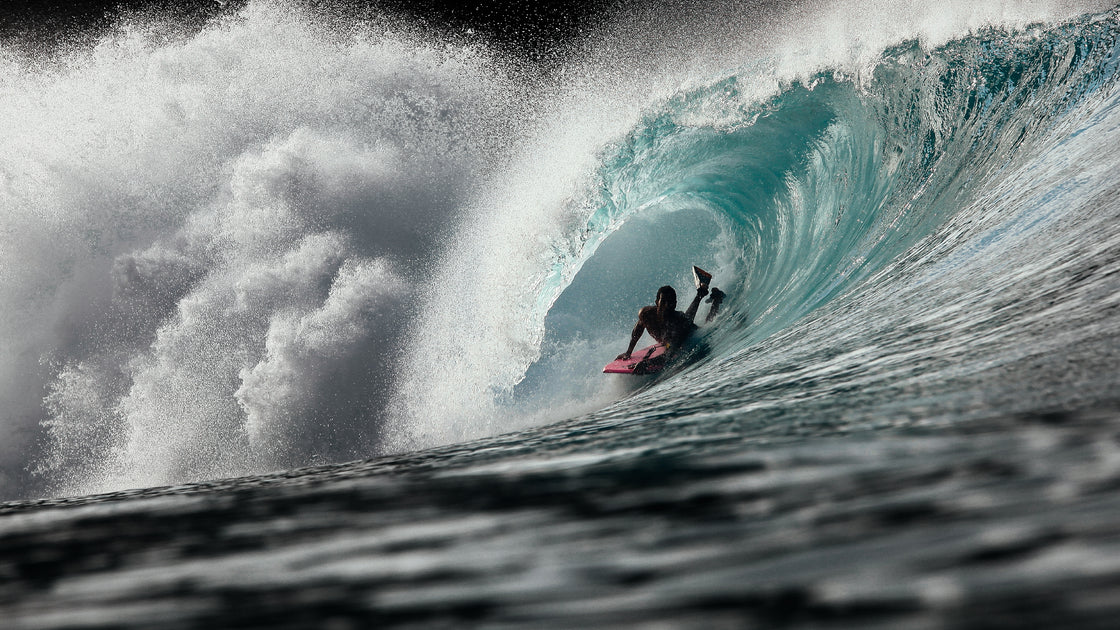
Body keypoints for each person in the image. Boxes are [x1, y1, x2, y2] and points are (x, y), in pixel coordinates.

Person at [616, 282, 724, 361]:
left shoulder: (676, 322)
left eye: (670, 302)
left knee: (705, 324)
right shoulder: (646, 314)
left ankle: (716, 299)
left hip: (686, 330)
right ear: (656, 302)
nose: (667, 305)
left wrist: (650, 362)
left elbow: (672, 349)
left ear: (675, 304)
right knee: (686, 317)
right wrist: (629, 351)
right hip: (680, 323)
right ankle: (700, 294)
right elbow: (638, 328)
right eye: (663, 301)